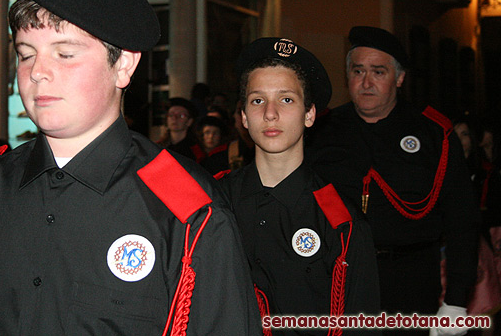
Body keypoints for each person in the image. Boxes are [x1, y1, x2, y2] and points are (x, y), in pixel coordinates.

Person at [0, 0, 260, 335]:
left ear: (123, 64)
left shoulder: (187, 213)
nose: (38, 73)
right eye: (25, 54)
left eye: (65, 54)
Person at [307, 26, 479, 335]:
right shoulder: (322, 130)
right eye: (357, 71)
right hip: (339, 279)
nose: (366, 82)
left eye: (378, 72)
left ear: (399, 78)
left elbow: (461, 220)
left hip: (410, 280)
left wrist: (456, 300)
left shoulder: (432, 133)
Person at [220, 37, 380, 335]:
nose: (270, 113)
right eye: (257, 100)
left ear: (310, 114)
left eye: (286, 99)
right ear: (243, 115)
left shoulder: (341, 223)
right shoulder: (214, 202)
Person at [157, 97, 204, 161]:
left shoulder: (196, 151)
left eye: (181, 116)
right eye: (171, 115)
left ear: (189, 121)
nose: (175, 118)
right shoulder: (158, 147)